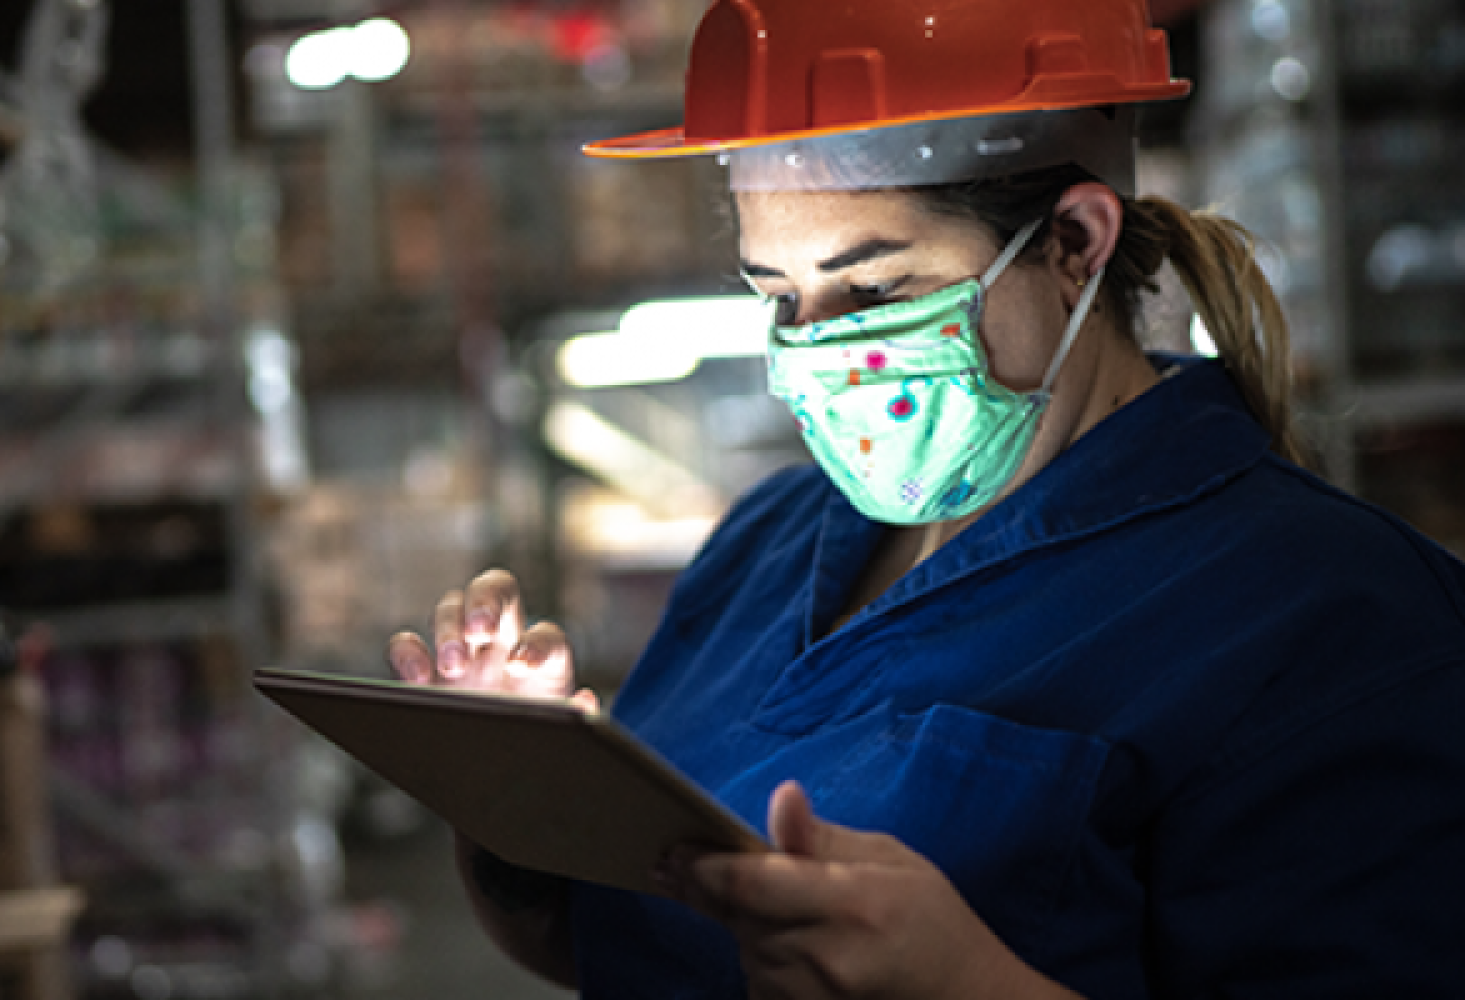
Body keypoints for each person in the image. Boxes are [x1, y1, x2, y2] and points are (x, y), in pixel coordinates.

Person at [386, 0, 1465, 996]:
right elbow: (606, 945)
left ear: (1074, 244)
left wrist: (968, 984)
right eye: (781, 297)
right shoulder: (768, 541)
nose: (815, 350)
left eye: (875, 289)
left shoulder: (1340, 623)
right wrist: (513, 794)